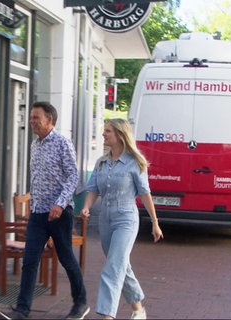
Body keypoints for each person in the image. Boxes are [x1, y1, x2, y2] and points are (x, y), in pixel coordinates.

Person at [0, 101, 89, 320]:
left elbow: (72, 177)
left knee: (66, 258)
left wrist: (59, 203)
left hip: (59, 213)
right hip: (38, 213)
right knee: (29, 260)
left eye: (35, 117)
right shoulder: (34, 145)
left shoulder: (62, 143)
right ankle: (22, 310)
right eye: (31, 117)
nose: (31, 121)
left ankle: (80, 303)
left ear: (49, 119)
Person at [80, 118, 164, 319]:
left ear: (119, 135)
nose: (103, 134)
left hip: (126, 220)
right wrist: (85, 207)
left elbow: (145, 193)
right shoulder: (101, 163)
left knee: (112, 267)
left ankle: (107, 315)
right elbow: (93, 189)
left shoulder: (135, 163)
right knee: (120, 265)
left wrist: (155, 223)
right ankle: (138, 309)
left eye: (108, 131)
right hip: (105, 220)